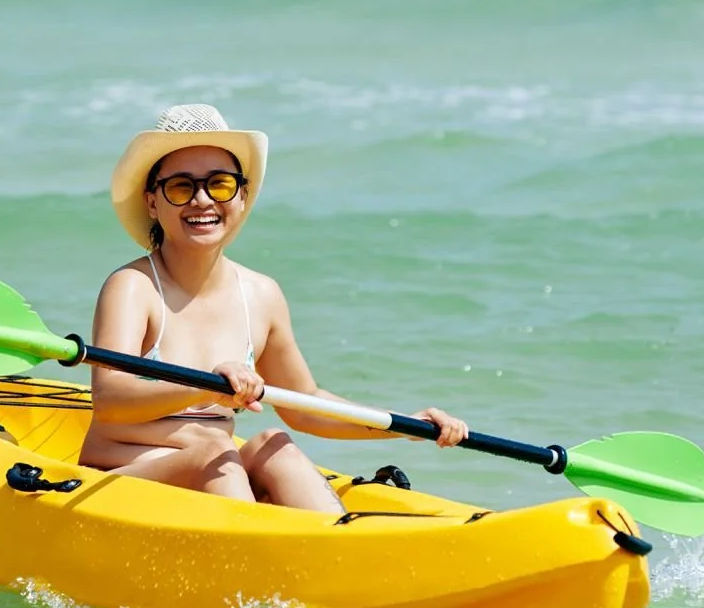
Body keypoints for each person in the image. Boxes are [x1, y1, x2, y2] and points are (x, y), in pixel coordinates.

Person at [79, 105, 468, 513]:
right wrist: (204, 386)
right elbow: (112, 399)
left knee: (274, 445)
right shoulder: (133, 287)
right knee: (215, 454)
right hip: (120, 479)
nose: (202, 200)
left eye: (220, 184)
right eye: (180, 187)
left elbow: (306, 404)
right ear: (153, 202)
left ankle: (337, 550)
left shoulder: (261, 294)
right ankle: (259, 561)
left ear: (242, 196)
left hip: (213, 471)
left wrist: (405, 426)